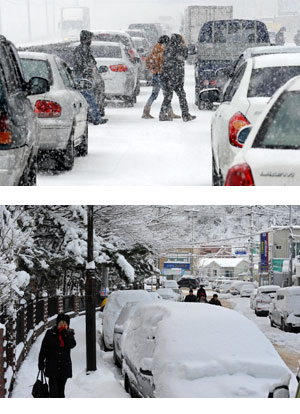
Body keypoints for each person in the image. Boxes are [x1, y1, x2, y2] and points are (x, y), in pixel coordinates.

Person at [74, 30, 108, 125]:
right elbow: (83, 64)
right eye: (90, 39)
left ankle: (91, 118)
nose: (91, 41)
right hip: (83, 78)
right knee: (90, 99)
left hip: (80, 76)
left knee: (84, 99)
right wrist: (87, 72)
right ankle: (96, 118)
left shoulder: (81, 49)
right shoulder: (83, 50)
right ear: (87, 39)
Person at [160, 34, 196, 122]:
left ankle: (162, 114)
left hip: (168, 75)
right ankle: (185, 115)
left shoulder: (168, 47)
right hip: (177, 76)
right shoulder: (180, 47)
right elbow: (185, 56)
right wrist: (185, 46)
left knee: (169, 95)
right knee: (181, 96)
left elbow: (166, 60)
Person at [142, 36, 180, 120]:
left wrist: (152, 69)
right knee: (167, 94)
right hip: (162, 75)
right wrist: (161, 69)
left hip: (156, 74)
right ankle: (170, 112)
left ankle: (146, 111)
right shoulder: (162, 50)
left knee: (155, 94)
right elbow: (163, 62)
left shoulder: (155, 49)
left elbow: (148, 60)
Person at [38, 314, 76, 398]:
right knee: (53, 392)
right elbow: (43, 349)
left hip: (64, 368)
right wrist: (41, 362)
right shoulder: (50, 333)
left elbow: (72, 344)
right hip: (52, 367)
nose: (63, 326)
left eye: (65, 324)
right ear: (57, 324)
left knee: (61, 391)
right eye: (61, 324)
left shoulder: (70, 333)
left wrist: (64, 333)